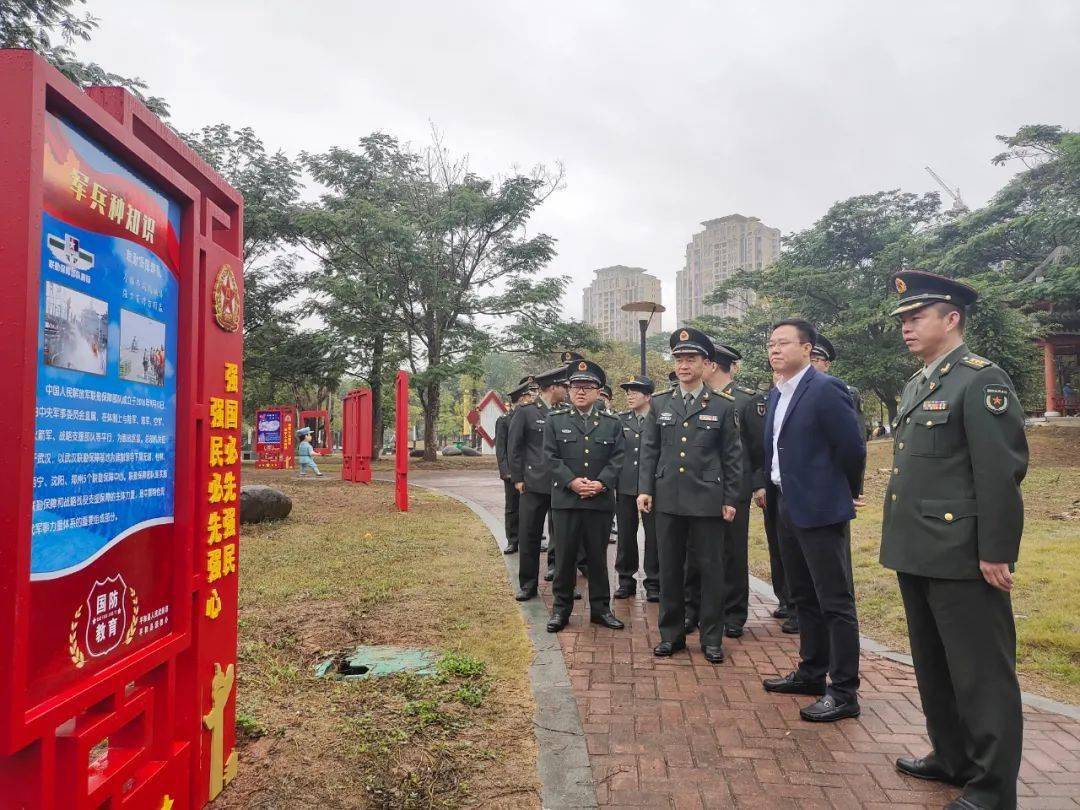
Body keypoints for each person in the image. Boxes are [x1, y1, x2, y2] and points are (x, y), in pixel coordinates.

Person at [881, 270, 1028, 810]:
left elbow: (1000, 473)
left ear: (952, 318)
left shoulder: (980, 380)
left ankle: (992, 789)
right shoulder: (923, 381)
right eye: (902, 319)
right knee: (934, 663)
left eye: (916, 317)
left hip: (962, 552)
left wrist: (996, 550)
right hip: (916, 547)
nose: (906, 327)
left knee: (981, 674)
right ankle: (951, 756)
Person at [761, 318, 865, 723]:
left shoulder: (825, 389)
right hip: (785, 504)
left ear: (807, 349)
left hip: (820, 507)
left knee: (835, 601)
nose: (774, 350)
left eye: (783, 343)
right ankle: (810, 672)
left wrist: (842, 490)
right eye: (771, 344)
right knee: (802, 595)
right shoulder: (777, 393)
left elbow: (851, 447)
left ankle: (843, 691)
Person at [638, 328, 742, 664]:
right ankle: (671, 635)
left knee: (711, 570)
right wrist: (644, 489)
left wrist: (730, 498)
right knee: (670, 570)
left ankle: (712, 638)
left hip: (708, 499)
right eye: (679, 359)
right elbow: (649, 450)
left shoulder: (723, 406)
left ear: (706, 364)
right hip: (668, 499)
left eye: (691, 359)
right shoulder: (660, 403)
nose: (684, 365)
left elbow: (732, 457)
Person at [684, 341, 765, 639]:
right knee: (695, 552)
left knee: (731, 553)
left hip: (733, 489)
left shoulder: (746, 401)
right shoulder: (698, 399)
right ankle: (693, 611)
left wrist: (758, 485)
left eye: (700, 361)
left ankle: (733, 614)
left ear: (712, 365)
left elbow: (758, 450)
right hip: (700, 489)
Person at [543, 360, 626, 632]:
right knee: (565, 558)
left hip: (599, 501)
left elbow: (619, 458)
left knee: (597, 559)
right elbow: (550, 458)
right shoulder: (555, 421)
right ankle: (561, 610)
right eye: (575, 386)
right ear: (568, 390)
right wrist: (572, 482)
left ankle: (601, 610)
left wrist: (601, 484)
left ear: (598, 391)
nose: (580, 391)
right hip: (566, 501)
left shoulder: (612, 423)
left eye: (587, 387)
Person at [508, 365, 568, 600]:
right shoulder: (526, 412)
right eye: (563, 386)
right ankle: (528, 585)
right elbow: (514, 448)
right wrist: (518, 478)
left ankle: (564, 584)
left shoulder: (564, 412)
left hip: (560, 483)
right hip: (533, 484)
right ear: (553, 387)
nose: (567, 390)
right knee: (530, 535)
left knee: (563, 537)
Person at [613, 374, 659, 602]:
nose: (629, 395)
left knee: (654, 536)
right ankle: (625, 580)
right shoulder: (620, 420)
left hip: (652, 487)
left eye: (635, 391)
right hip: (626, 485)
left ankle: (654, 582)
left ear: (648, 395)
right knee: (625, 535)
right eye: (627, 391)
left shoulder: (659, 418)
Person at [758, 370, 797, 632]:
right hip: (775, 487)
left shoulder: (826, 392)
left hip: (803, 490)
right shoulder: (772, 397)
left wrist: (851, 491)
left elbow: (851, 447)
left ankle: (799, 608)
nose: (777, 374)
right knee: (780, 549)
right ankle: (787, 599)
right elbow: (763, 445)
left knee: (801, 555)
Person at [495, 377, 535, 554]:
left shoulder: (532, 416)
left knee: (531, 508)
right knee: (512, 507)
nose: (533, 397)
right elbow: (501, 450)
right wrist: (506, 471)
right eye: (529, 395)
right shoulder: (504, 420)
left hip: (530, 471)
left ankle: (531, 538)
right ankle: (513, 540)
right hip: (512, 471)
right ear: (521, 398)